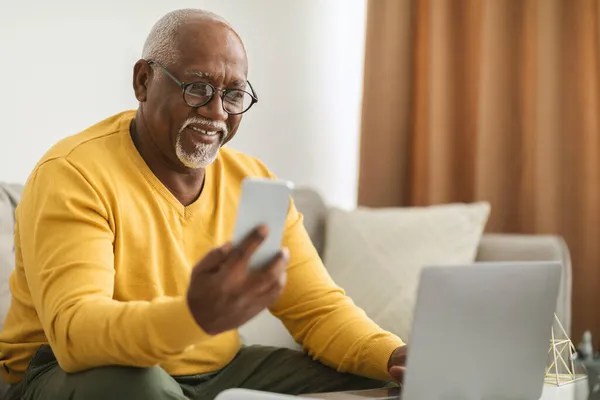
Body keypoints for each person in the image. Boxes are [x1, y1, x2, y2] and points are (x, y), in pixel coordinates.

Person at [0, 9, 407, 400]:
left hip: (219, 370)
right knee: (135, 388)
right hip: (65, 371)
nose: (217, 113)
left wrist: (393, 357)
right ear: (143, 81)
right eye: (197, 88)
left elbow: (317, 309)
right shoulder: (74, 172)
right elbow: (77, 336)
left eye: (233, 95)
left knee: (369, 380)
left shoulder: (253, 182)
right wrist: (193, 315)